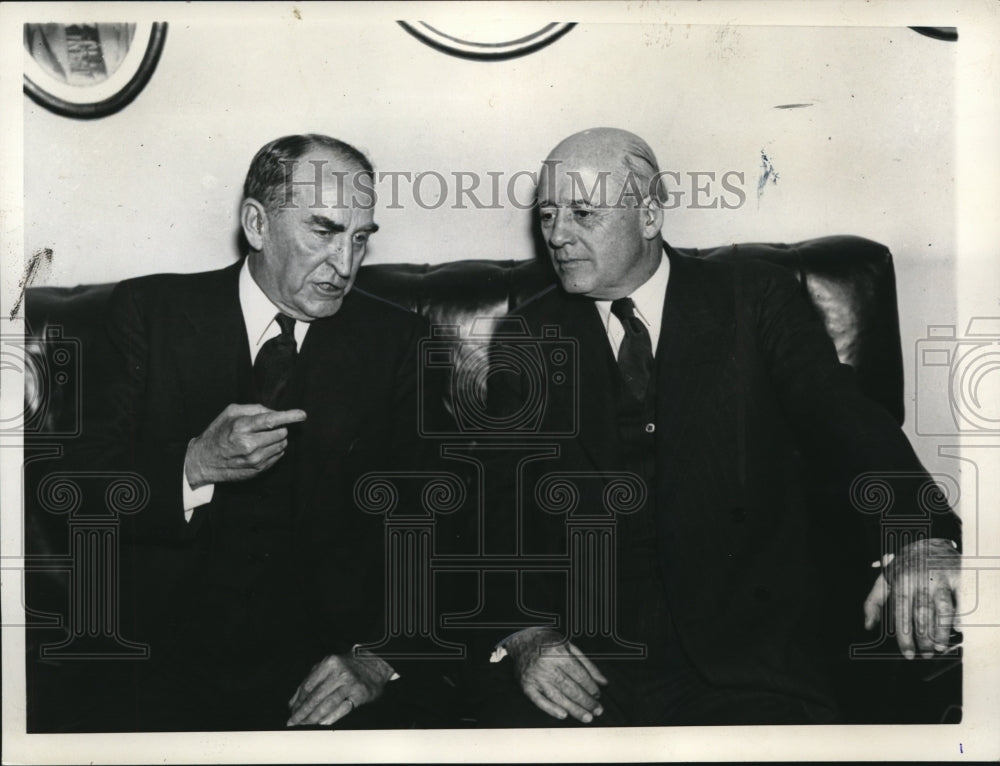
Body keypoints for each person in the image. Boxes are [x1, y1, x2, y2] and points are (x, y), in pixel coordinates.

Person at [478, 127, 962, 726]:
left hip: (750, 659)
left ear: (649, 215)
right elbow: (494, 507)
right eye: (549, 213)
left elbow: (844, 420)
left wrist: (917, 536)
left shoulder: (752, 298)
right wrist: (526, 633)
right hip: (588, 667)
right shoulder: (525, 336)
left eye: (582, 212)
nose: (556, 235)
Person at [67, 134, 442, 731]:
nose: (345, 265)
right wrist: (194, 465)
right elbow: (72, 492)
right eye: (323, 231)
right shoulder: (149, 312)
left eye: (360, 239)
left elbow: (435, 522)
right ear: (257, 224)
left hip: (323, 666)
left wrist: (379, 656)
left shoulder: (399, 342)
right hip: (159, 660)